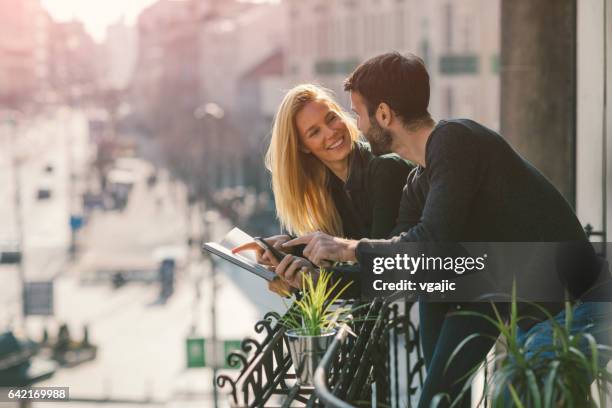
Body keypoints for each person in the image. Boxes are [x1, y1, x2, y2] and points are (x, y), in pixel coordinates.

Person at [283, 52, 610, 407]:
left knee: (511, 398)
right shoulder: (418, 183)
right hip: (538, 317)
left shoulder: (454, 139)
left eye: (358, 114)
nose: (357, 126)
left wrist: (344, 248)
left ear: (383, 114)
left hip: (583, 305)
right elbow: (400, 265)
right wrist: (308, 272)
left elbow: (430, 244)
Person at [233, 83, 412, 291]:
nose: (331, 133)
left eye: (331, 118)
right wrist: (289, 249)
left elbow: (384, 270)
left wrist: (317, 282)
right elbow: (345, 250)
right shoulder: (330, 188)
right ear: (302, 146)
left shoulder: (385, 169)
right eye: (315, 132)